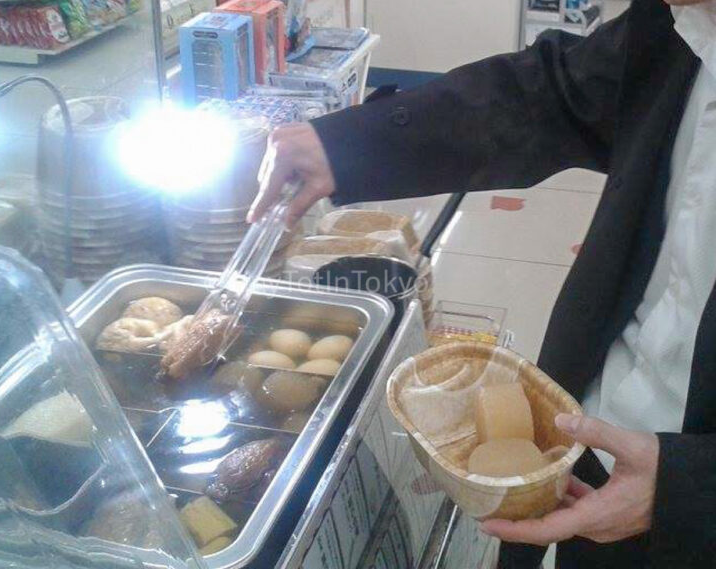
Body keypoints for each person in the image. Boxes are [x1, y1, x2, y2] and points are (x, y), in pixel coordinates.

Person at [248, 0, 716, 567]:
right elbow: (553, 94)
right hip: (590, 438)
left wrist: (687, 494)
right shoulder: (679, 23)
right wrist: (346, 147)